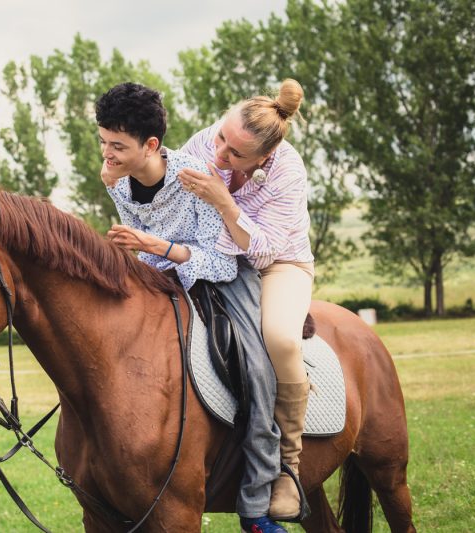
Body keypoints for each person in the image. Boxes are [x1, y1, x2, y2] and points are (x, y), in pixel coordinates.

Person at [97, 82, 286, 533]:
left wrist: (155, 245)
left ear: (152, 145)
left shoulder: (193, 177)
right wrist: (140, 253)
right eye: (103, 141)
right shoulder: (116, 177)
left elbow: (220, 260)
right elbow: (139, 235)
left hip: (220, 273)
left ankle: (258, 502)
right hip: (157, 275)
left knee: (258, 368)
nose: (107, 153)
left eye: (117, 146)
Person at [178, 79, 314, 521]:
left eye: (235, 154)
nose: (219, 154)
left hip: (278, 263)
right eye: (221, 137)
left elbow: (264, 251)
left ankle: (286, 467)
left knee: (280, 339)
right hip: (213, 254)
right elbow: (168, 187)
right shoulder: (206, 142)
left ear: (263, 157)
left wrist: (224, 203)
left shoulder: (287, 172)